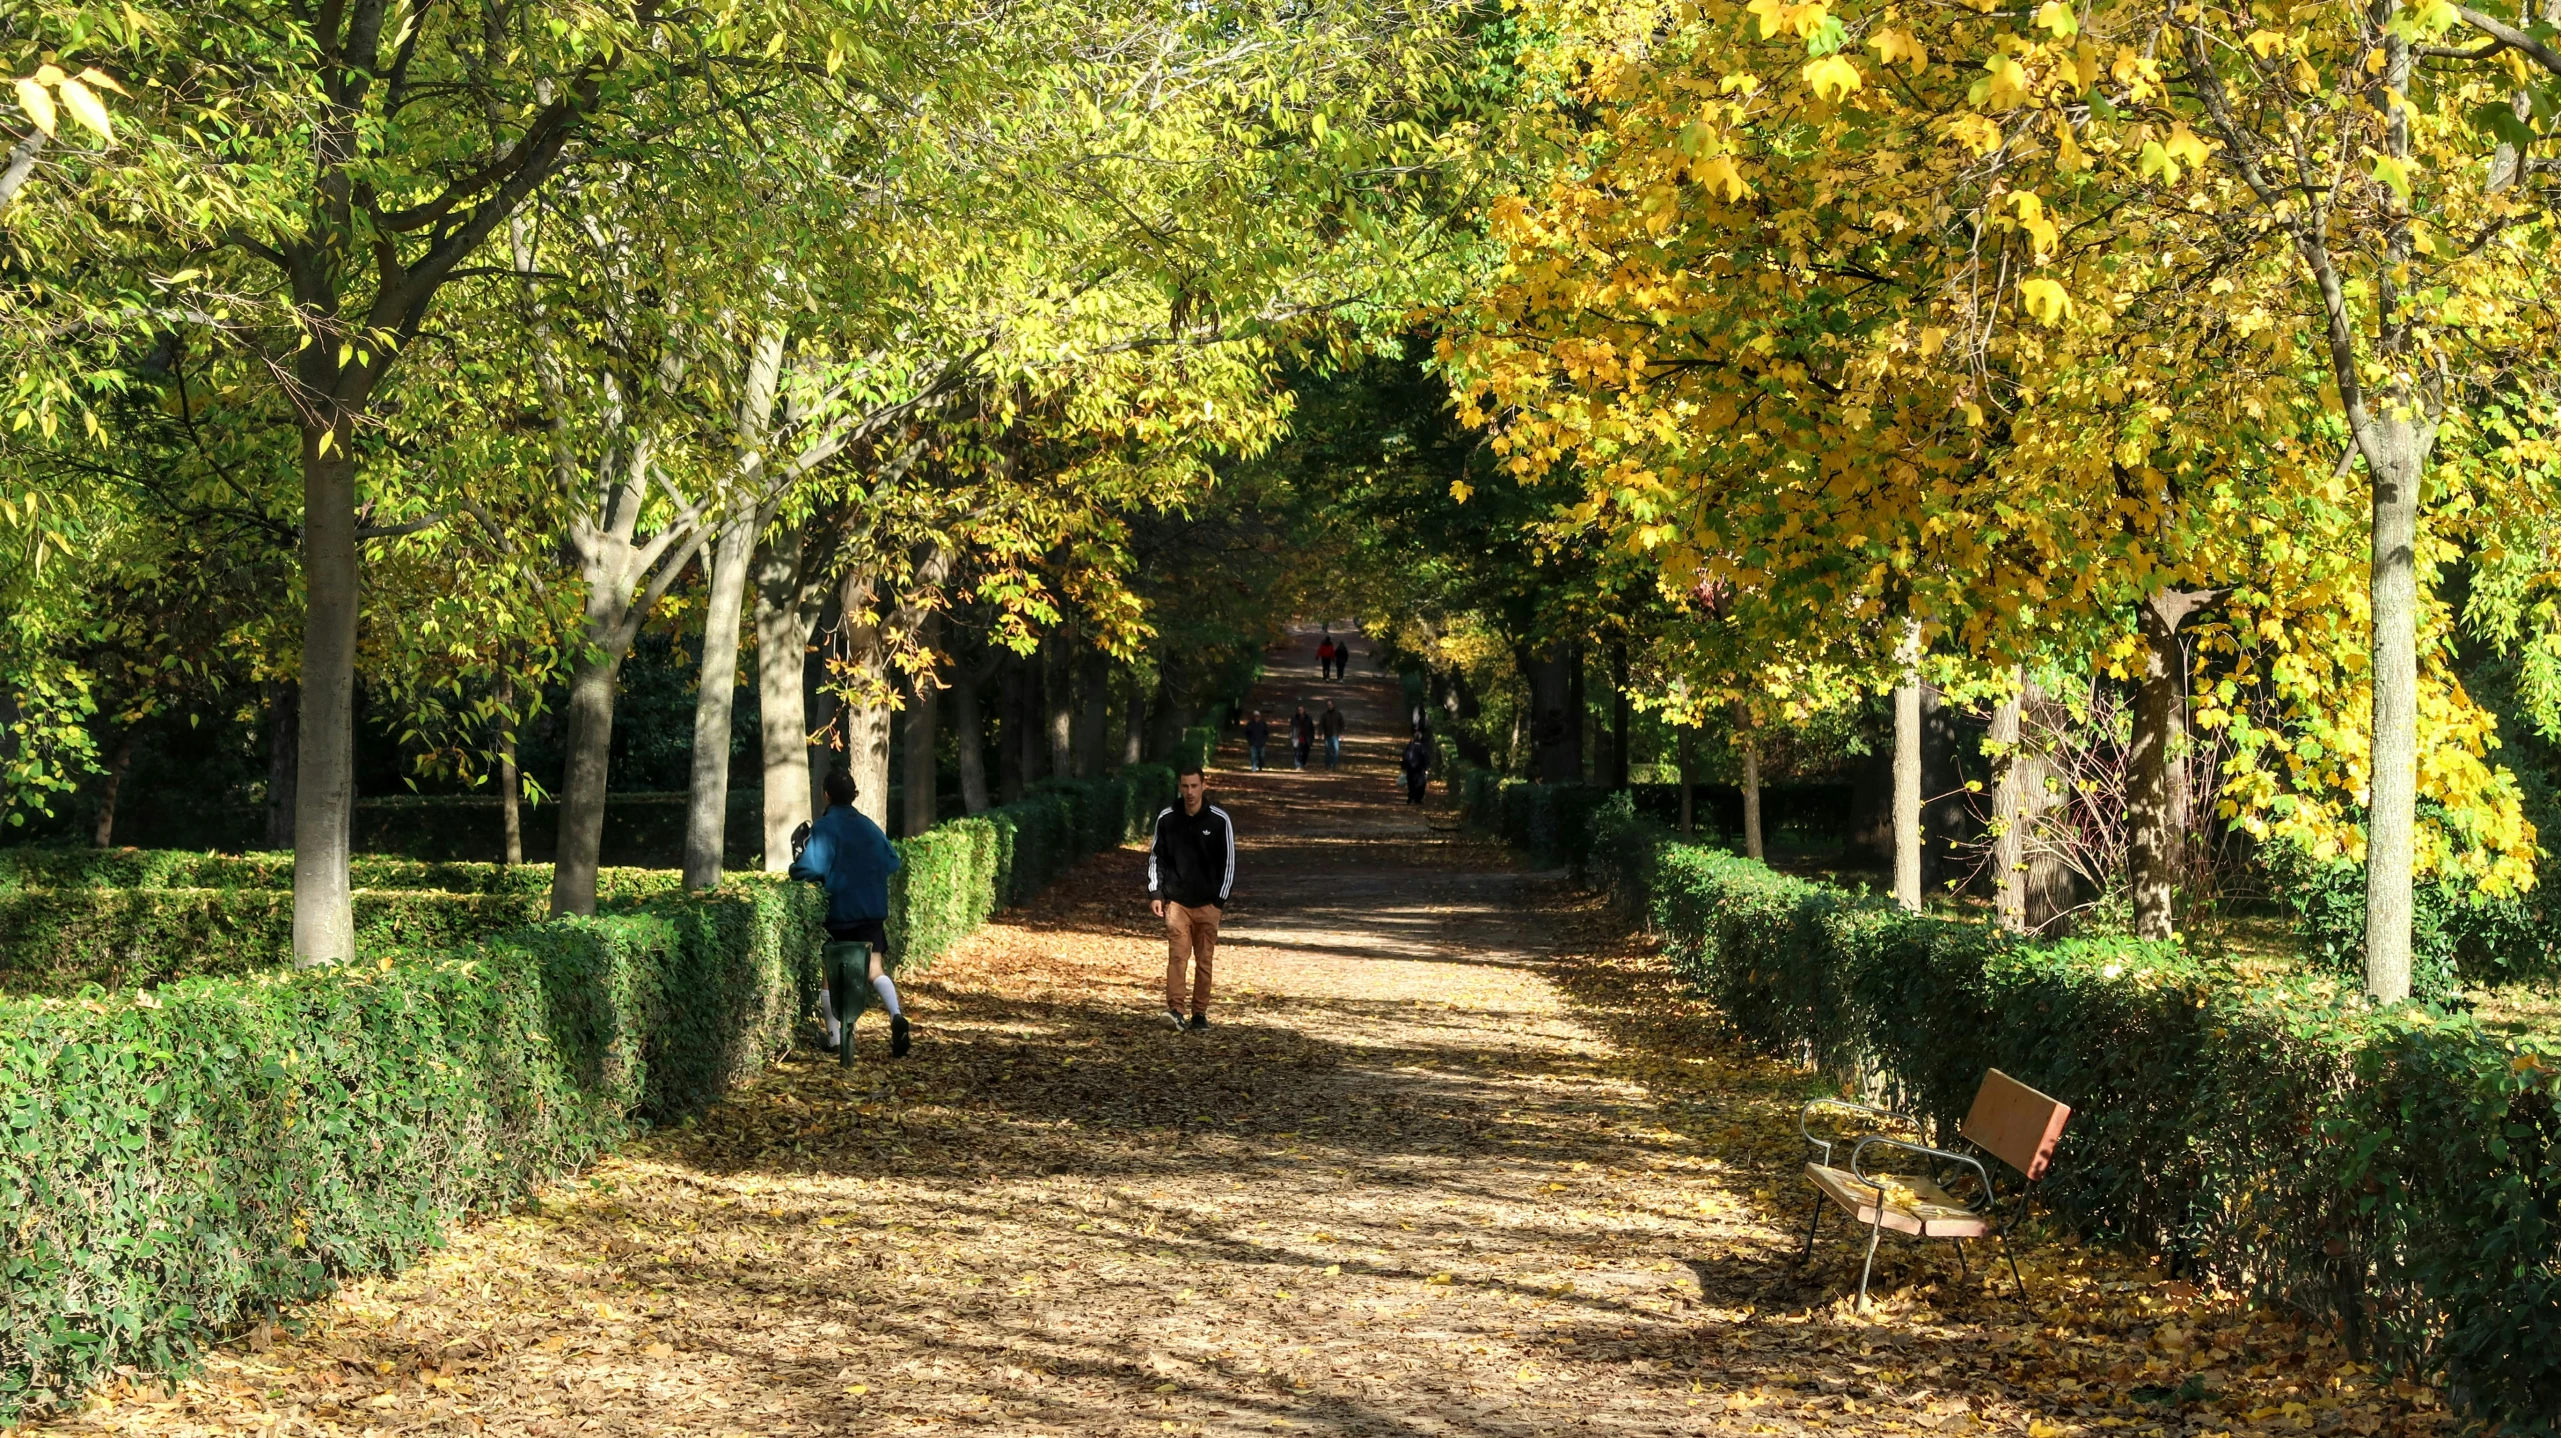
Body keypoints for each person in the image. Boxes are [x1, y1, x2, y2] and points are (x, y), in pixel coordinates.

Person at [788, 769, 911, 1057]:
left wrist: (796, 865)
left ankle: (834, 1038)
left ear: (826, 794)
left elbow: (811, 869)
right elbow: (893, 861)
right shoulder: (868, 826)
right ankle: (895, 1014)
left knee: (830, 975)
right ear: (853, 795)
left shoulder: (825, 827)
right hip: (872, 912)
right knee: (874, 969)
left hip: (841, 912)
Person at [1147, 766, 1235, 1031]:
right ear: (1179, 787)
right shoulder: (1167, 819)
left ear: (1203, 785)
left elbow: (1229, 862)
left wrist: (1219, 901)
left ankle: (1200, 1013)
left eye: (1194, 786)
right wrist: (1156, 893)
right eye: (1185, 786)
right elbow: (1156, 857)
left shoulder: (1219, 820)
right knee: (1178, 956)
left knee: (1204, 959)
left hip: (1208, 903)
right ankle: (1175, 1010)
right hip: (1177, 903)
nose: (1190, 792)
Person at [1402, 734, 1431, 805]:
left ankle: (1411, 796)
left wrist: (1404, 767)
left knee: (1411, 782)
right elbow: (1426, 758)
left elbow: (1406, 757)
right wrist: (1427, 768)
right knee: (1420, 783)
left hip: (1411, 768)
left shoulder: (1410, 747)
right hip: (1420, 769)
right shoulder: (1423, 748)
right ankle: (1417, 798)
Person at [1319, 699, 1345, 769]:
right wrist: (1320, 733)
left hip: (1335, 735)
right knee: (1328, 750)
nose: (1329, 706)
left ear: (1333, 705)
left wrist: (1342, 734)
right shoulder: (1324, 715)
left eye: (1330, 705)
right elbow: (1321, 724)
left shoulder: (1338, 714)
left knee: (1336, 750)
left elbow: (1342, 724)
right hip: (1327, 735)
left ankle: (1334, 765)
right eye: (1328, 705)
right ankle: (1328, 764)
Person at [1290, 704, 1315, 770]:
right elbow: (1291, 728)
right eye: (1299, 710)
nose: (1300, 711)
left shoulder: (1308, 718)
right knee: (1297, 752)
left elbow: (1312, 729)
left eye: (1301, 710)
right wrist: (1291, 737)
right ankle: (1298, 765)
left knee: (1305, 752)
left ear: (1304, 710)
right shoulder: (1294, 718)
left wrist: (1311, 737)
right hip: (1297, 738)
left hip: (1306, 738)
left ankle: (1303, 764)